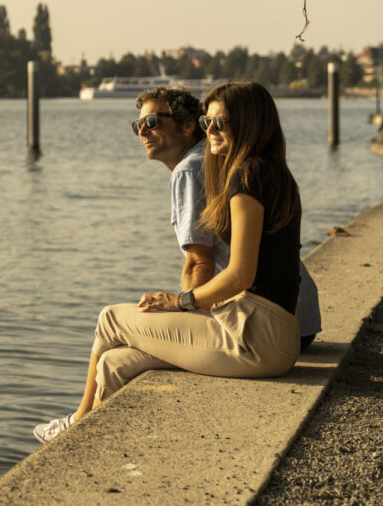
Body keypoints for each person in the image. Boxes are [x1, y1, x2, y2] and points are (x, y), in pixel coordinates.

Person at [33, 81, 306, 444]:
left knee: (110, 318)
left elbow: (240, 274)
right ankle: (93, 447)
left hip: (254, 336)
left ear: (249, 124)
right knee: (114, 364)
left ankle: (77, 422)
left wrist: (181, 302)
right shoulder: (271, 171)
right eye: (207, 123)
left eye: (219, 124)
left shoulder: (246, 176)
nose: (210, 132)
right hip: (274, 333)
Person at [133, 85, 320, 358]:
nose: (142, 131)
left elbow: (200, 262)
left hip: (263, 322)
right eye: (138, 124)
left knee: (117, 329)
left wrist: (182, 307)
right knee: (120, 359)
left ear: (186, 127)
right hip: (298, 318)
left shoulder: (193, 168)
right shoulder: (243, 162)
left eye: (151, 122)